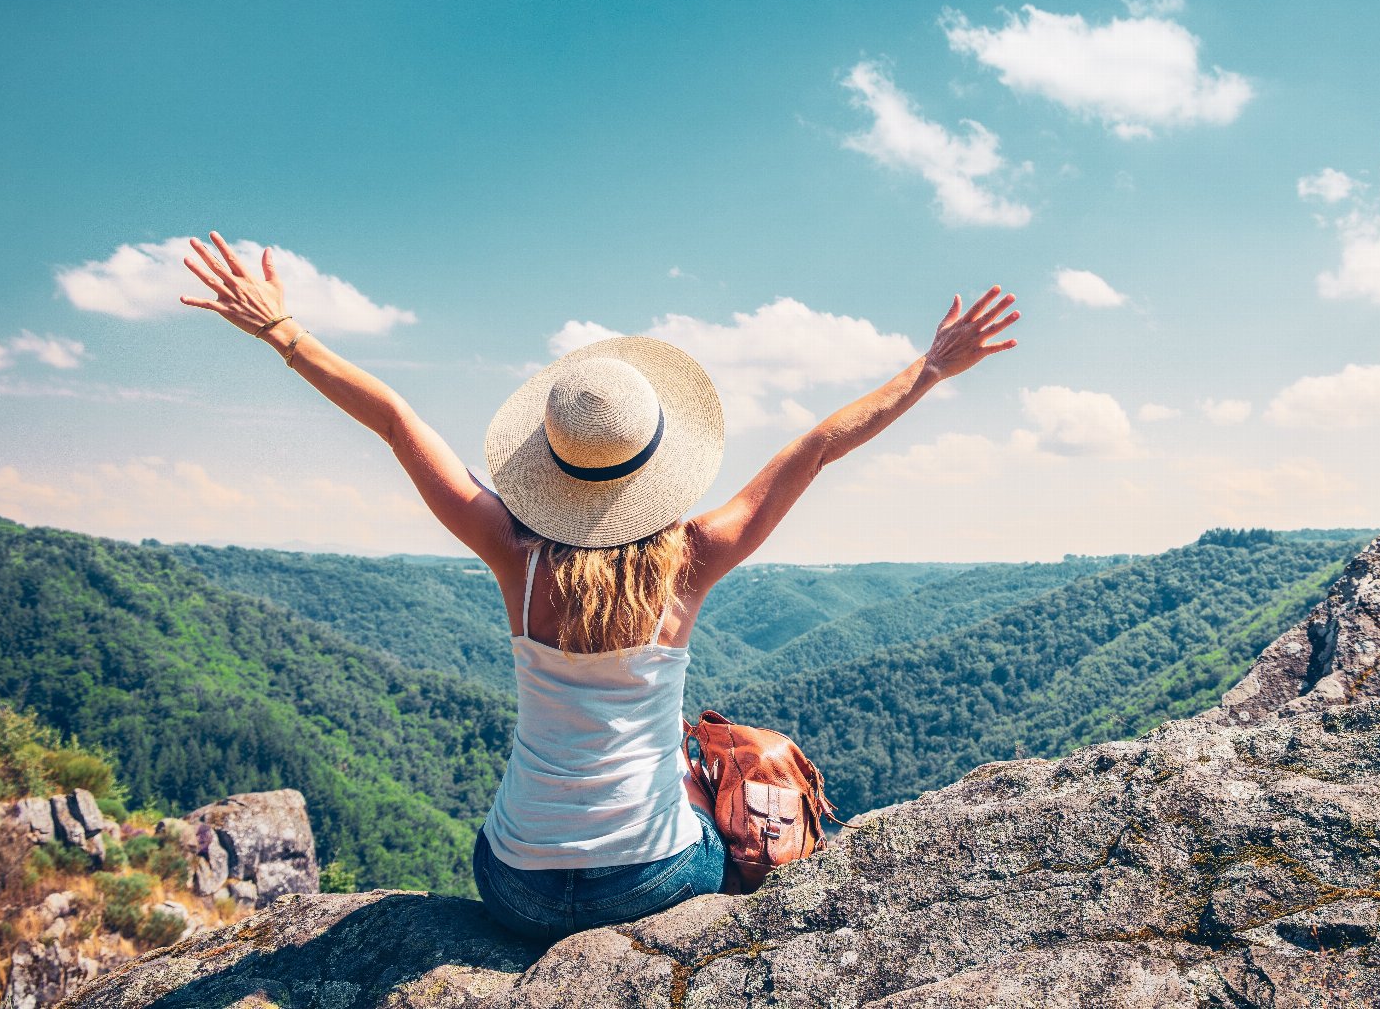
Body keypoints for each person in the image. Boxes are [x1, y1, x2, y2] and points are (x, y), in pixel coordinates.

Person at [179, 230, 1020, 940]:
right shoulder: (692, 555)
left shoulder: (514, 550)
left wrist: (282, 329)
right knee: (720, 759)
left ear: (550, 463)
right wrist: (932, 367)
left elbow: (397, 420)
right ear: (658, 462)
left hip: (515, 886)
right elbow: (817, 447)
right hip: (655, 878)